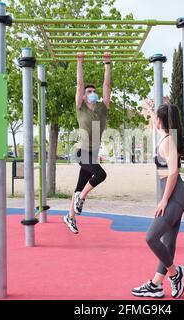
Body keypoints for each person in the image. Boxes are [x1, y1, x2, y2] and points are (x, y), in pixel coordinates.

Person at [132, 104, 184, 299]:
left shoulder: (168, 141)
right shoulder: (166, 137)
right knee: (168, 241)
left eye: (156, 117)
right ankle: (156, 285)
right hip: (173, 193)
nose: (154, 121)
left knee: (151, 238)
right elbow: (156, 125)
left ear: (162, 120)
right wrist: (150, 111)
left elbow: (174, 171)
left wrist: (164, 200)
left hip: (174, 195)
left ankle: (175, 273)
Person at [63, 52, 111, 234]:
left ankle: (70, 216)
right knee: (100, 174)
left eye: (93, 92)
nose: (92, 93)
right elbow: (79, 84)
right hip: (82, 152)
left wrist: (107, 63)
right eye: (88, 92)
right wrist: (79, 62)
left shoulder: (102, 108)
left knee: (79, 187)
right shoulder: (80, 108)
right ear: (83, 96)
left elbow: (107, 85)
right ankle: (81, 199)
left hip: (93, 153)